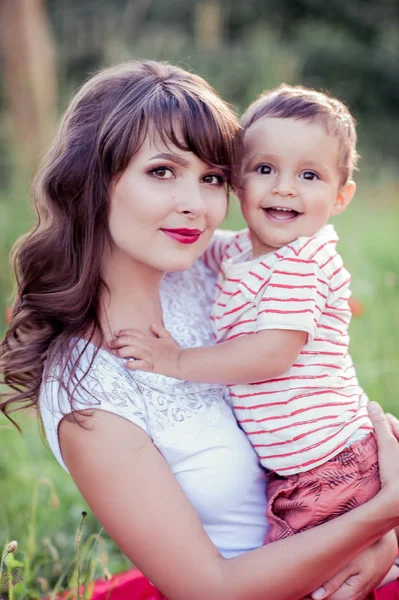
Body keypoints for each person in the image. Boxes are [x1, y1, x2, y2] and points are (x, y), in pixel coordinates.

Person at [1, 60, 399, 600]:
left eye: (211, 177)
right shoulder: (88, 396)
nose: (197, 205)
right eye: (162, 171)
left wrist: (381, 527)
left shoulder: (208, 272)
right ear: (90, 180)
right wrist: (378, 519)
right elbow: (210, 589)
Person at [115, 85, 382, 545]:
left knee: (308, 576)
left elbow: (272, 354)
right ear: (238, 182)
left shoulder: (302, 262)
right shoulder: (241, 251)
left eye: (310, 176)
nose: (284, 187)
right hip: (297, 467)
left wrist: (176, 361)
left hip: (331, 462)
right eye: (265, 169)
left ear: (341, 197)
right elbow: (193, 241)